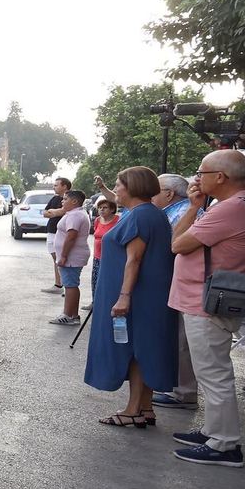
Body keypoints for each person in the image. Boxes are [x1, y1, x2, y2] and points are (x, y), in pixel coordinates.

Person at [167, 149, 245, 466]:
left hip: (206, 301)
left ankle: (224, 444)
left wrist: (194, 207)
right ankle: (213, 430)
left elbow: (178, 243)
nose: (197, 179)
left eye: (201, 173)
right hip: (213, 297)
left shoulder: (229, 208)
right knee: (211, 370)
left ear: (220, 177)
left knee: (213, 373)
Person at [83, 167, 177, 428]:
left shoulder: (140, 215)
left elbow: (134, 259)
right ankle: (145, 407)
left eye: (118, 184)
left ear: (133, 187)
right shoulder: (149, 213)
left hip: (137, 295)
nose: (116, 188)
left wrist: (124, 296)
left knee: (135, 350)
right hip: (146, 293)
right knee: (143, 348)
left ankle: (133, 409)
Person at [149, 173, 202, 410]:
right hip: (176, 282)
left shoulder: (184, 212)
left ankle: (183, 392)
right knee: (177, 337)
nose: (151, 195)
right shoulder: (175, 211)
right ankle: (177, 388)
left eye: (156, 190)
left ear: (169, 193)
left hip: (183, 282)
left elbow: (173, 246)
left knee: (182, 339)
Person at [50, 190, 90, 325]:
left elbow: (71, 236)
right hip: (72, 256)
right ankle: (73, 315)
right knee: (71, 284)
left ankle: (68, 315)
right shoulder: (74, 213)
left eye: (65, 199)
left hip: (72, 257)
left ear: (74, 201)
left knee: (70, 285)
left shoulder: (75, 215)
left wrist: (63, 256)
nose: (62, 201)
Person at [42, 176, 71, 292]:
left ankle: (67, 285)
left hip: (62, 232)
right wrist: (55, 212)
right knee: (55, 258)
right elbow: (45, 213)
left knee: (61, 258)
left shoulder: (70, 198)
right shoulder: (54, 199)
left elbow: (64, 211)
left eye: (56, 185)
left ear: (64, 186)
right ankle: (58, 284)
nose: (54, 187)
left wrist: (53, 211)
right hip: (51, 230)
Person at [91, 196, 121, 298]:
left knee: (109, 282)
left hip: (111, 257)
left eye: (105, 207)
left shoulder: (119, 220)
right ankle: (95, 302)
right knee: (95, 281)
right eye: (100, 208)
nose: (102, 210)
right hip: (97, 257)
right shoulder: (98, 220)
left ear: (112, 209)